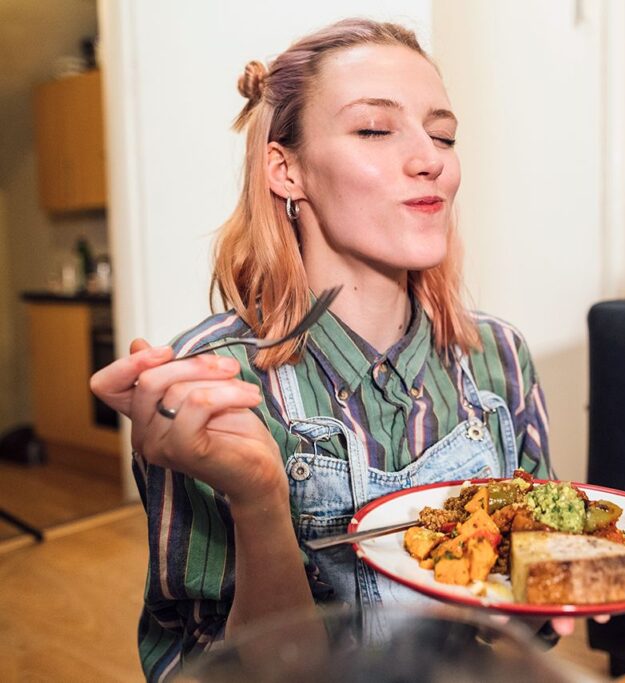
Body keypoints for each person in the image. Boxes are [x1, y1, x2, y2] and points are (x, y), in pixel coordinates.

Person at [89, 19, 557, 680]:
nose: (432, 158)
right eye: (374, 128)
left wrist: (557, 579)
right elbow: (231, 673)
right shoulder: (211, 388)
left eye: (443, 134)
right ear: (287, 170)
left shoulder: (501, 358)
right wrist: (259, 501)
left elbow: (534, 619)